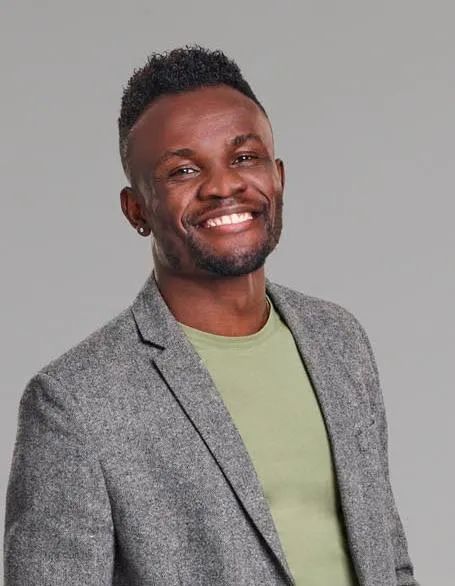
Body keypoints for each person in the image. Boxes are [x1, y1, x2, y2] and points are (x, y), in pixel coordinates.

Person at [4, 46, 418, 586]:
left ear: (279, 176)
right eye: (182, 170)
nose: (223, 186)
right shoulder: (74, 404)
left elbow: (389, 560)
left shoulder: (338, 339)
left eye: (244, 158)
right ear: (136, 209)